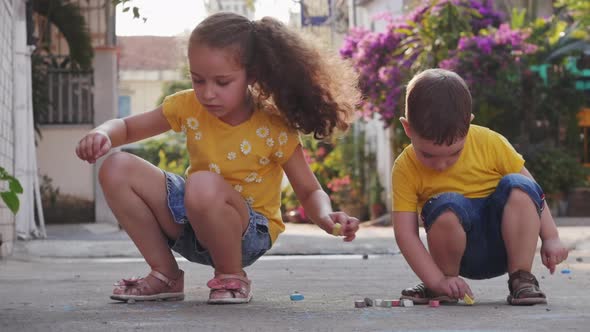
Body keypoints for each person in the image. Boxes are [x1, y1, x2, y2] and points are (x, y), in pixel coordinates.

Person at [75, 12, 361, 304]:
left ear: (252, 75)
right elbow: (127, 127)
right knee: (116, 167)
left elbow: (309, 189)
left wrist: (325, 216)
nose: (208, 93)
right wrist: (103, 133)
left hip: (246, 235)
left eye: (222, 82)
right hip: (191, 221)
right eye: (198, 80)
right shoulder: (187, 105)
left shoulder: (274, 126)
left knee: (201, 185)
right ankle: (165, 274)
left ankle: (232, 275)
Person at [391, 68, 568, 306]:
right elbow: (405, 234)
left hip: (507, 245)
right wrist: (435, 280)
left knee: (519, 185)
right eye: (428, 155)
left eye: (454, 153)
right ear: (407, 128)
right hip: (455, 256)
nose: (441, 164)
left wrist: (551, 237)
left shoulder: (490, 143)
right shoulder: (405, 167)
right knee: (446, 206)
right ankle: (444, 285)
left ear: (468, 124)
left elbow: (532, 189)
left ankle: (522, 278)